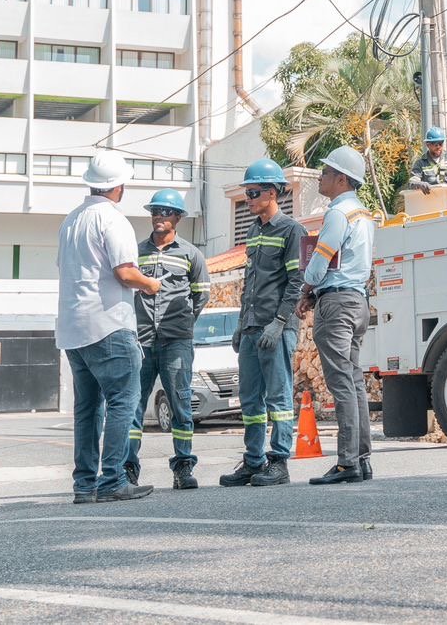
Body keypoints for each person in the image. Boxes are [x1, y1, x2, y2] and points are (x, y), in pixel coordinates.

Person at [56, 151, 161, 505]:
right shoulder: (113, 220)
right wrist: (151, 284)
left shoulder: (71, 220)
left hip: (73, 327)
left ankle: (84, 485)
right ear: (119, 186)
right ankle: (113, 479)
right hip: (109, 325)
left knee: (87, 408)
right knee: (123, 401)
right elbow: (125, 272)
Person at [219, 159, 307, 488]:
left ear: (272, 192)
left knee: (279, 396)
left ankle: (279, 461)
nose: (249, 199)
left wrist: (280, 322)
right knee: (250, 398)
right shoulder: (253, 230)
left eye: (254, 192)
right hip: (253, 327)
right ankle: (253, 460)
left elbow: (296, 282)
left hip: (276, 328)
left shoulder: (292, 230)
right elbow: (250, 281)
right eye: (246, 193)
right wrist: (243, 324)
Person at [300, 146, 376, 485]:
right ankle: (361, 458)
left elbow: (321, 262)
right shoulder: (363, 214)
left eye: (327, 172)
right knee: (354, 380)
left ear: (342, 179)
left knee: (342, 382)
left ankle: (347, 463)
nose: (322, 176)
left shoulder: (337, 214)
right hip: (357, 301)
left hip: (336, 302)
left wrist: (306, 289)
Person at [124, 189, 209, 491]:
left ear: (178, 218)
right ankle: (128, 469)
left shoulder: (191, 254)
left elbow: (202, 294)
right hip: (142, 342)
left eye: (165, 212)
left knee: (181, 404)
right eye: (155, 211)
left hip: (176, 342)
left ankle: (183, 468)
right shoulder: (136, 253)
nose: (159, 216)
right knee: (133, 406)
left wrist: (184, 322)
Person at [409, 126, 447, 194]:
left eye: (440, 143)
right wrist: (419, 184)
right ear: (428, 145)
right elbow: (412, 182)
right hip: (435, 200)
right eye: (435, 143)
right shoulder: (421, 163)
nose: (438, 146)